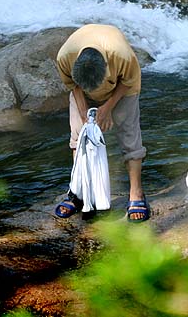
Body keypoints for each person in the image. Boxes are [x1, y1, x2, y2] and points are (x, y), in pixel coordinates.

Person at [53, 24, 149, 222]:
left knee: (129, 136)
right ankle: (77, 193)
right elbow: (73, 86)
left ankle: (136, 193)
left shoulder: (121, 55)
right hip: (81, 92)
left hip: (123, 88)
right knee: (78, 137)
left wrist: (107, 108)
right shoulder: (65, 57)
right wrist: (83, 112)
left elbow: (128, 81)